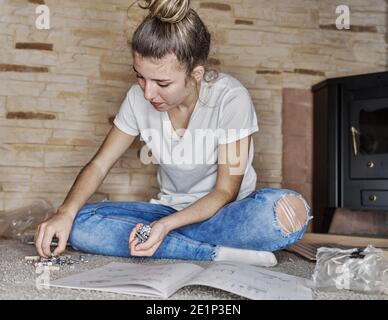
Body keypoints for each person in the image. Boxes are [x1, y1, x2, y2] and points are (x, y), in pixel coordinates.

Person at [34, 0, 312, 267]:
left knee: (283, 212)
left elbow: (226, 191)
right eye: (140, 76)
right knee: (81, 224)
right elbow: (99, 164)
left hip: (226, 213)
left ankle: (178, 243)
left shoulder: (232, 99)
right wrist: (65, 212)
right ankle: (219, 252)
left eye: (162, 82)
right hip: (168, 210)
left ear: (196, 74)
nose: (148, 92)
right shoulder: (136, 99)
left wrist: (164, 228)